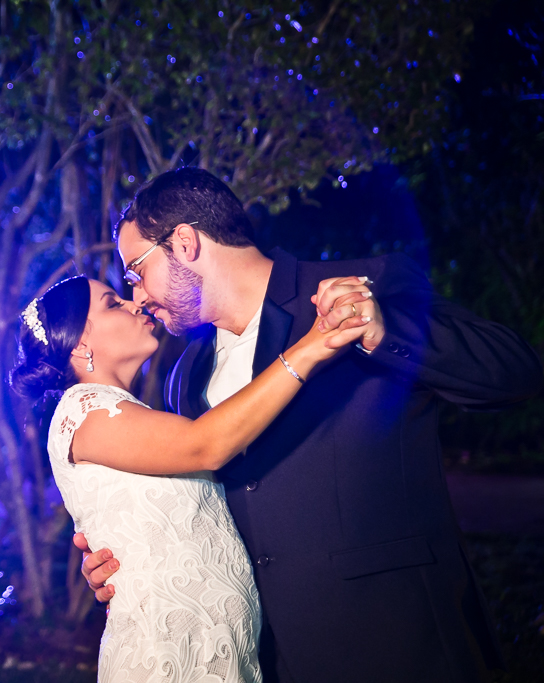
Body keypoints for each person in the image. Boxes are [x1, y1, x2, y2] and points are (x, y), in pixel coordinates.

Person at [76, 167, 543, 683]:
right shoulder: (186, 376)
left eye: (136, 271)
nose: (137, 295)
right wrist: (133, 556)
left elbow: (516, 371)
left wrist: (385, 331)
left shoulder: (363, 285)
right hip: (276, 659)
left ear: (184, 243)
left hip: (403, 645)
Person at [10, 274, 372, 682]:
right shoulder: (85, 410)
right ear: (79, 345)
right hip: (166, 658)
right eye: (113, 303)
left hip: (221, 652)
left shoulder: (137, 411)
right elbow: (207, 445)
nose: (135, 304)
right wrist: (312, 346)